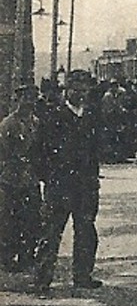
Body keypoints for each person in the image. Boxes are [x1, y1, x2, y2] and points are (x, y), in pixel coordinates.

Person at [33, 69, 103, 294]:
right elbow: (39, 151)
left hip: (86, 186)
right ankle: (42, 279)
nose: (80, 95)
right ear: (67, 90)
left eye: (84, 91)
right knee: (51, 232)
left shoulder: (91, 116)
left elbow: (96, 150)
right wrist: (49, 178)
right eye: (76, 90)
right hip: (60, 186)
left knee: (86, 231)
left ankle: (82, 276)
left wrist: (93, 178)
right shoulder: (53, 116)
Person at [0, 80, 43, 273]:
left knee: (32, 218)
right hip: (11, 179)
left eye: (32, 98)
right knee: (10, 219)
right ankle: (7, 257)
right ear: (18, 100)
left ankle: (27, 255)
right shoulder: (8, 124)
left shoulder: (36, 123)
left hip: (30, 178)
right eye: (25, 98)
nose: (28, 102)